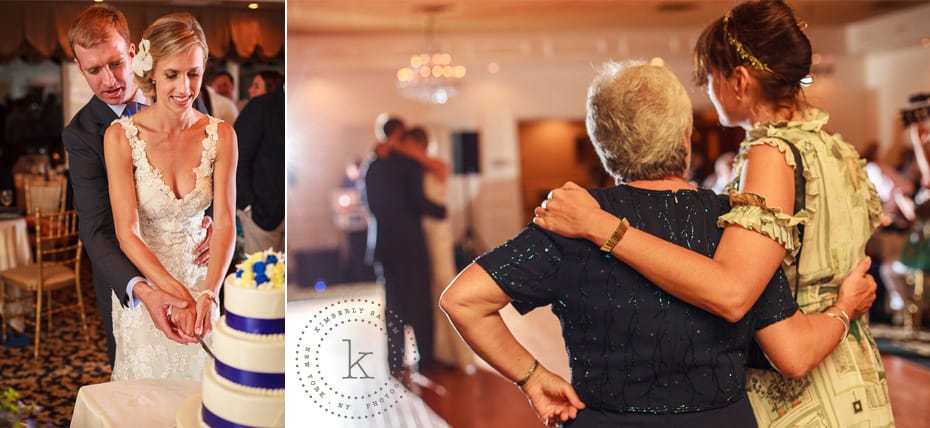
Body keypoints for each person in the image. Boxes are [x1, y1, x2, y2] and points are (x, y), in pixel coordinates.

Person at [441, 60, 877, 427]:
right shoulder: (736, 220)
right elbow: (794, 356)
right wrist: (844, 309)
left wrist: (532, 377)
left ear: (602, 145)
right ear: (686, 139)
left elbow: (463, 300)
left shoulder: (571, 221)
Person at [533, 1, 894, 426]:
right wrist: (845, 308)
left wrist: (601, 226)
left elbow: (732, 292)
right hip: (853, 373)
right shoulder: (839, 149)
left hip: (800, 391)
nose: (706, 91)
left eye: (708, 79)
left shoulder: (771, 153)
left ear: (738, 80)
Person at [62, 4, 211, 367]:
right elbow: (97, 230)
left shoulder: (180, 90)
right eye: (94, 70)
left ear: (132, 53)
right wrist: (144, 290)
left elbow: (212, 162)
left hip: (195, 268)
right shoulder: (81, 135)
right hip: (129, 281)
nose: (108, 80)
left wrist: (215, 221)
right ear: (80, 68)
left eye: (115, 63)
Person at [103, 12, 237, 380]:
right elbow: (127, 233)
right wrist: (178, 296)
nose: (185, 87)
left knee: (204, 394)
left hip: (203, 284)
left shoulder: (222, 135)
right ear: (150, 73)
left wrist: (208, 294)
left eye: (193, 73)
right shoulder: (120, 137)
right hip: (151, 288)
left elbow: (225, 222)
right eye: (172, 75)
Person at [359, 116, 446, 374]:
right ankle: (426, 359)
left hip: (383, 243)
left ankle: (395, 361)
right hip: (409, 242)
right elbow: (417, 202)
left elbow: (369, 205)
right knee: (419, 301)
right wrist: (441, 210)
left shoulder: (372, 166)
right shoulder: (409, 165)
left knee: (393, 305)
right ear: (400, 133)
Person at [403, 127, 473, 370]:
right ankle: (440, 351)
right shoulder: (413, 169)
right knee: (429, 290)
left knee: (444, 283)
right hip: (421, 232)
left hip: (438, 231)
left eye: (410, 144)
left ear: (420, 144)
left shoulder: (436, 164)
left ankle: (459, 352)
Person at [234, 86, 284, 254]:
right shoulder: (260, 107)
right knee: (260, 277)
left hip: (294, 215)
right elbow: (238, 157)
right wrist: (247, 205)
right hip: (261, 216)